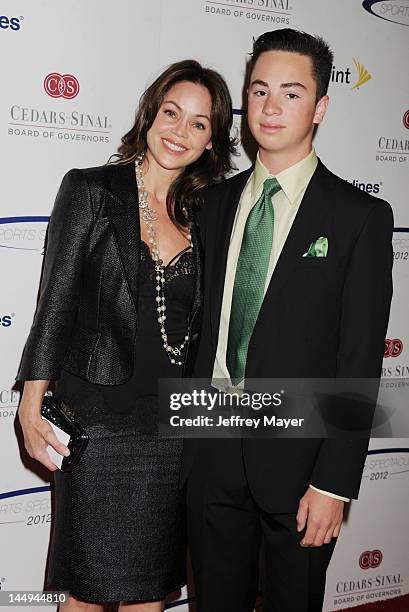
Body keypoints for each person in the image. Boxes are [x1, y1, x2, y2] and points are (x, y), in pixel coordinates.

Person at [183, 29, 393, 612]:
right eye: (259, 91)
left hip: (303, 461)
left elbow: (359, 361)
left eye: (292, 93)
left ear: (321, 106)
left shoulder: (360, 217)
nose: (271, 108)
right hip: (212, 442)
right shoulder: (212, 204)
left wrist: (335, 481)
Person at [16, 59, 235, 611]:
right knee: (87, 592)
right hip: (97, 420)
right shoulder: (92, 189)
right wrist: (30, 403)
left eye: (198, 123)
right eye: (171, 113)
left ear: (213, 141)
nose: (179, 132)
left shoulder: (206, 214)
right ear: (150, 114)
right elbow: (55, 302)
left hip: (171, 425)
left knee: (151, 591)